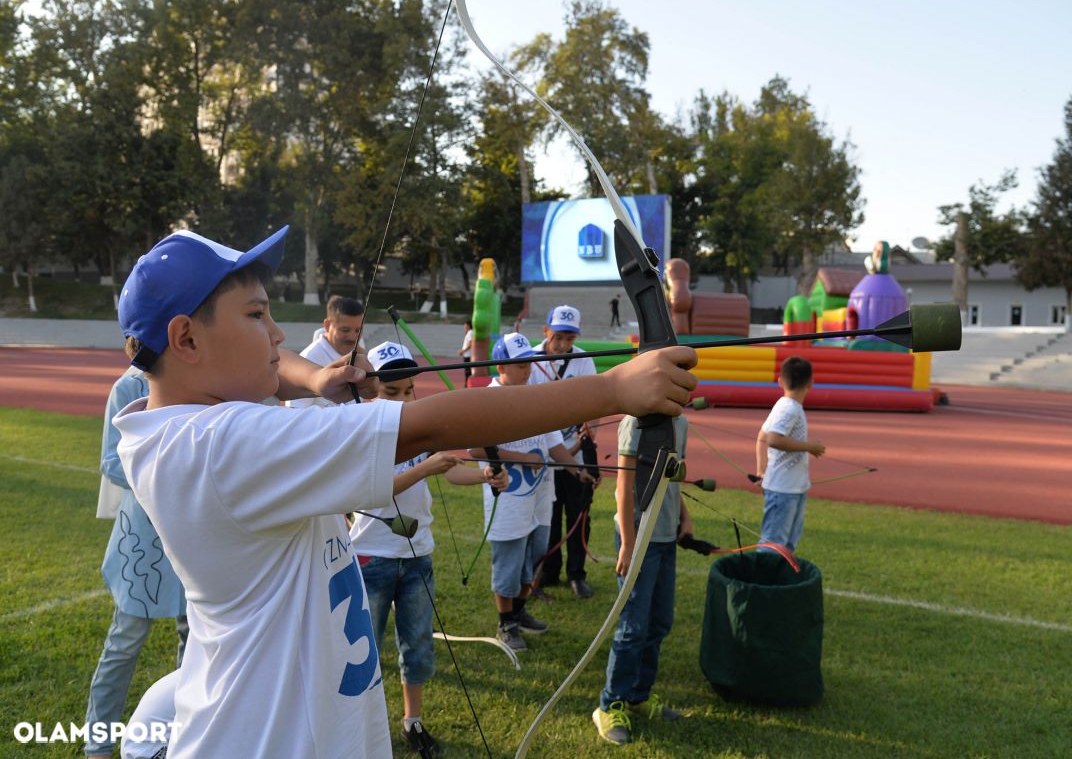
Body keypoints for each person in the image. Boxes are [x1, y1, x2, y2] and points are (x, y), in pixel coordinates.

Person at [112, 226, 697, 758]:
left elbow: (269, 362)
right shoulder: (217, 447)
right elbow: (428, 424)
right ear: (186, 339)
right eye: (256, 315)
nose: (278, 333)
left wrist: (317, 378)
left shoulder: (175, 424)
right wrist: (617, 387)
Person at [353, 341, 507, 758]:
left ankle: (412, 721)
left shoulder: (417, 426)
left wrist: (486, 477)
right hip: (371, 556)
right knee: (362, 650)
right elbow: (373, 489)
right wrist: (426, 466)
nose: (402, 400)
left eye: (407, 392)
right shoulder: (363, 426)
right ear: (372, 391)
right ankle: (358, 728)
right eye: (391, 393)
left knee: (417, 644)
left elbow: (450, 469)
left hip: (417, 555)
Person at [84, 367, 189, 759]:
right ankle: (98, 743)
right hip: (142, 539)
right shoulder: (129, 386)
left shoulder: (195, 377)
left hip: (191, 529)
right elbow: (111, 462)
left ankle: (184, 735)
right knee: (125, 642)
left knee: (195, 642)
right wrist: (169, 469)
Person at [469, 332, 588, 652]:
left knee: (535, 554)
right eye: (520, 365)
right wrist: (524, 459)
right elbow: (476, 449)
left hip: (540, 497)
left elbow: (554, 445)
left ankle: (519, 612)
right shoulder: (488, 399)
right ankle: (504, 622)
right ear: (501, 368)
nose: (528, 370)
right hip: (508, 499)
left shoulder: (536, 395)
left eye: (529, 364)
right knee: (508, 559)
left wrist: (577, 470)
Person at [592, 413, 691, 746]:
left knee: (660, 621)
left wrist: (684, 515)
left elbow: (672, 476)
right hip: (638, 538)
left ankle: (638, 695)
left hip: (664, 537)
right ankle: (610, 705)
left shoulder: (681, 423)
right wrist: (629, 544)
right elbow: (624, 485)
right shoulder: (635, 422)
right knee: (633, 626)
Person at [528, 305, 600, 598]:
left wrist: (590, 429)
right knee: (548, 516)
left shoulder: (583, 361)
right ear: (546, 332)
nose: (563, 344)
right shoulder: (530, 360)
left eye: (569, 338)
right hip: (544, 455)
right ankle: (549, 571)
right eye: (558, 337)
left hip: (576, 454)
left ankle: (576, 574)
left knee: (579, 514)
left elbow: (595, 402)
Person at [755, 356, 825, 553]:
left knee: (787, 546)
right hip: (783, 490)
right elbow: (773, 439)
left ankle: (779, 580)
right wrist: (808, 446)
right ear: (811, 382)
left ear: (780, 381)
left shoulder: (784, 404)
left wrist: (761, 471)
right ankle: (765, 581)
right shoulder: (789, 408)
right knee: (773, 546)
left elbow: (762, 436)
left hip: (794, 487)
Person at [289, 295, 366, 409]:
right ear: (327, 325)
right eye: (345, 330)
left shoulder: (359, 347)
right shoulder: (309, 358)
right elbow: (295, 411)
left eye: (358, 330)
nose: (352, 337)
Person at [458, 321, 473, 388]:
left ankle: (467, 385)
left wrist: (463, 351)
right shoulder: (469, 333)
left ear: (469, 326)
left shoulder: (470, 333)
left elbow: (470, 344)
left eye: (465, 325)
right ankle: (467, 384)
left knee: (468, 371)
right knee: (467, 371)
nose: (464, 327)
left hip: (468, 355)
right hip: (467, 354)